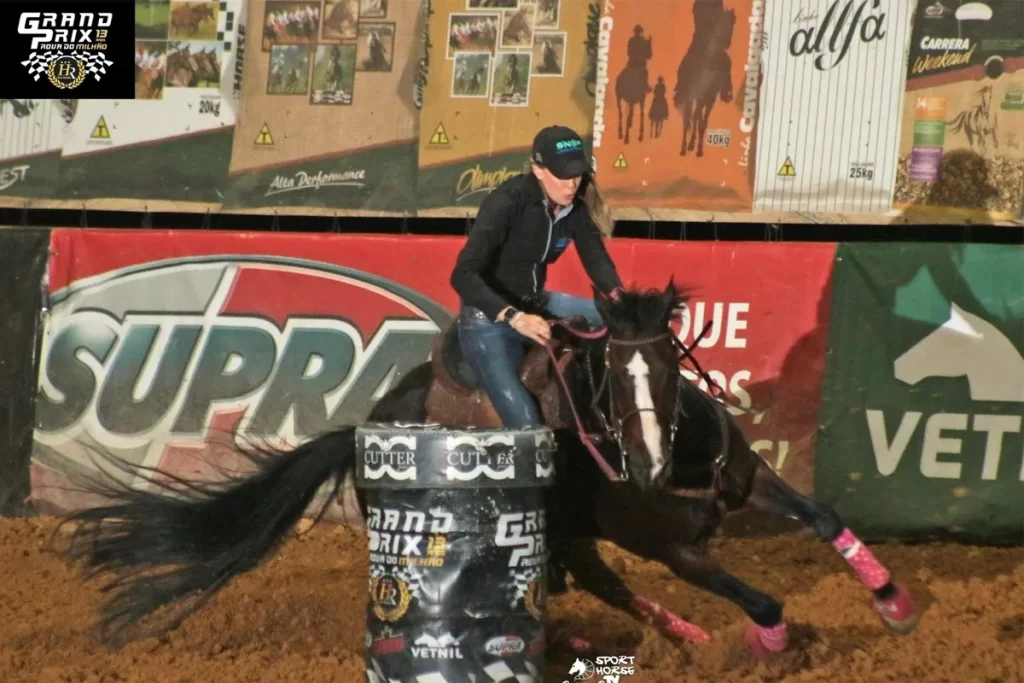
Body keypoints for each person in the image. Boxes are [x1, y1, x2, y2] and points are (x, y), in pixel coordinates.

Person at [449, 124, 624, 429]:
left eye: (577, 174)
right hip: (488, 320)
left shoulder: (575, 209)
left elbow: (597, 261)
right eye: (563, 175)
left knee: (620, 321)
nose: (572, 184)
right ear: (538, 170)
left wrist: (622, 302)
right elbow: (462, 275)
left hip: (539, 303)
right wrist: (516, 318)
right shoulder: (507, 202)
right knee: (528, 425)